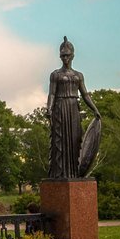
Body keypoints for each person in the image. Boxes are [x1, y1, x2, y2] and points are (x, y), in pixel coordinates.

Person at [46, 37, 98, 179]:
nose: (65, 58)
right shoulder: (55, 75)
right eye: (63, 55)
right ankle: (60, 173)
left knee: (75, 140)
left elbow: (85, 94)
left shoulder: (78, 75)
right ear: (60, 56)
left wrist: (95, 109)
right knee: (60, 141)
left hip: (74, 109)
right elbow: (51, 93)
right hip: (60, 108)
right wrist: (49, 109)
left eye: (68, 55)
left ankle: (74, 173)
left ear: (73, 55)